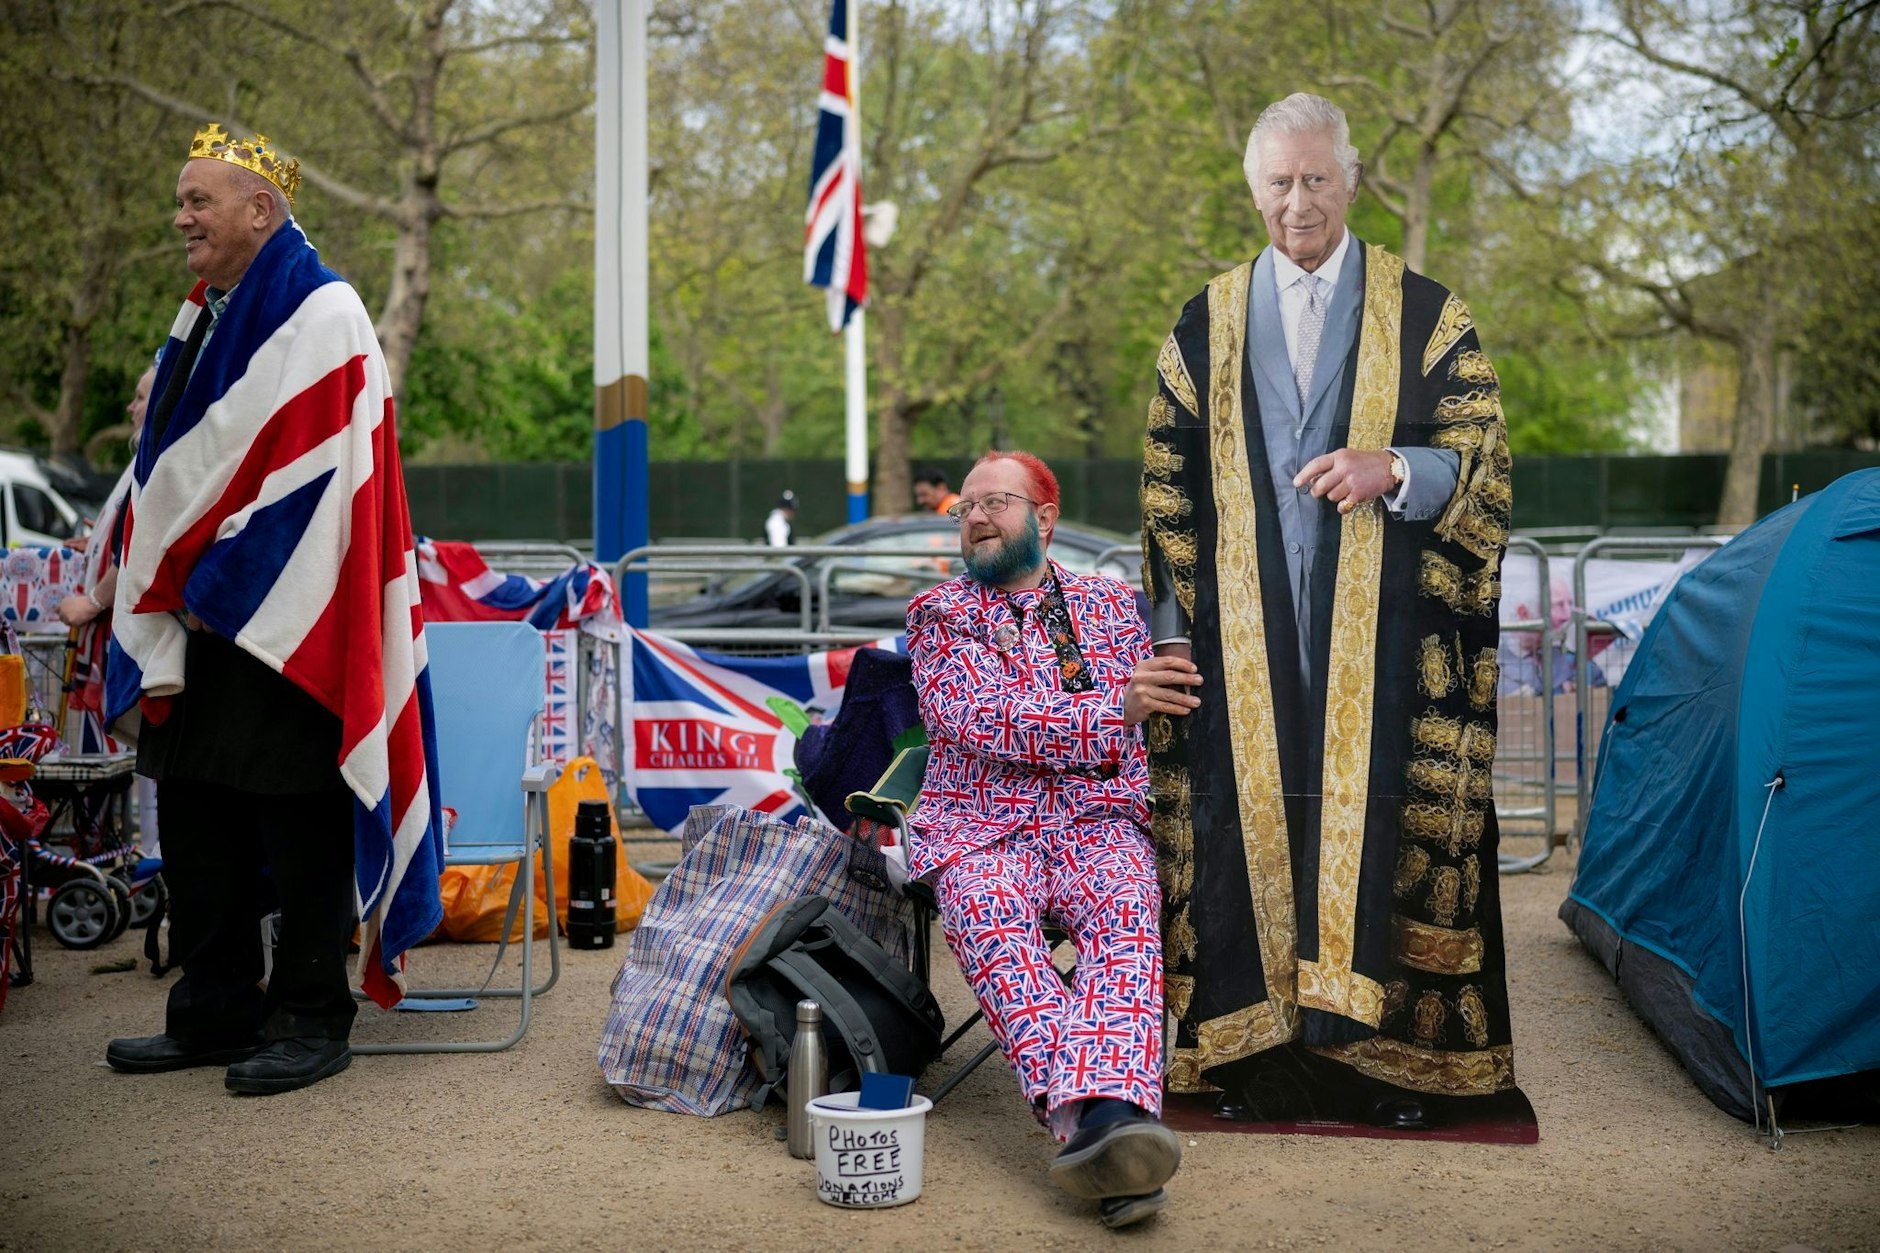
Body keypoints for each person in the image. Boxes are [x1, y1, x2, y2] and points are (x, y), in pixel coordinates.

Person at [1139, 93, 1516, 1131]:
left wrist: (1395, 466)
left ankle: (1391, 1066)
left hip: (1387, 648)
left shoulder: (1428, 315)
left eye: (1315, 178)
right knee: (1246, 831)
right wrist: (1168, 640)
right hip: (1240, 649)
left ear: (1350, 182)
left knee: (1380, 825)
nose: (1297, 202)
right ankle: (1253, 1057)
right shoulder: (1204, 321)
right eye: (1278, 182)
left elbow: (1485, 460)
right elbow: (1165, 493)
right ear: (1252, 189)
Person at [102, 124, 442, 1095]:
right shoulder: (201, 317)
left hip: (290, 618)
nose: (181, 217)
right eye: (181, 201)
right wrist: (178, 588)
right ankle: (214, 1008)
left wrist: (217, 586)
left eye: (197, 201)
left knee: (300, 828)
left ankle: (309, 1015)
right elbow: (178, 468)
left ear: (260, 209)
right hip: (198, 623)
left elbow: (323, 479)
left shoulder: (325, 310)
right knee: (196, 821)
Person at [905, 449, 1200, 1228]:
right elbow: (979, 718)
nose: (974, 516)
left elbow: (1161, 706)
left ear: (1044, 517)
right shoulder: (938, 614)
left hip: (1097, 818)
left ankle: (1097, 1129)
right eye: (964, 507)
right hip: (980, 830)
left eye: (994, 502)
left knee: (1129, 912)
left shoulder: (1114, 605)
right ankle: (1108, 1119)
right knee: (993, 923)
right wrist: (1115, 708)